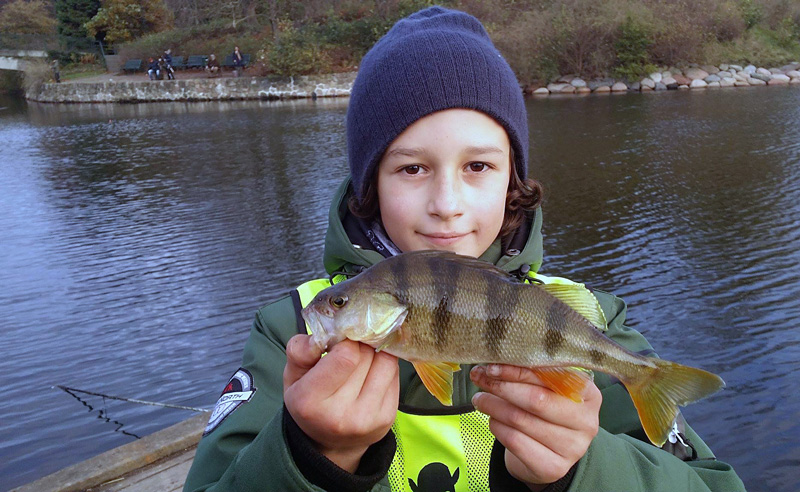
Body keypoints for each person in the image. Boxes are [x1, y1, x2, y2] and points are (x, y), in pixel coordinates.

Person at [184, 7, 745, 492]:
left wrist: (585, 468)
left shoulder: (593, 319)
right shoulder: (286, 333)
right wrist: (309, 453)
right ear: (370, 186)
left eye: (477, 166)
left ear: (512, 181)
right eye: (411, 167)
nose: (446, 203)